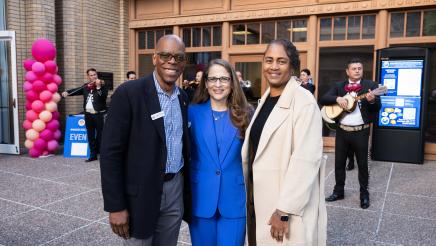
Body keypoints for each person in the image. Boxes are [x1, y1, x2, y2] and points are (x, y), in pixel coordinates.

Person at [99, 34, 191, 245]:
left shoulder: (183, 98)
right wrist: (115, 205)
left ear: (184, 62)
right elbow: (110, 153)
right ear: (154, 58)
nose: (172, 62)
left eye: (179, 57)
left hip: (174, 189)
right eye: (165, 55)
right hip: (139, 195)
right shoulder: (129, 93)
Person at [241, 39, 327, 245]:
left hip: (284, 207)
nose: (273, 66)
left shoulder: (304, 101)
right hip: (259, 199)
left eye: (281, 61)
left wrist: (284, 211)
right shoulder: (265, 99)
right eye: (269, 60)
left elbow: (306, 161)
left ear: (292, 66)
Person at [188, 59, 252, 246]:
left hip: (235, 199)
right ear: (205, 83)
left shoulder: (247, 114)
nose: (218, 84)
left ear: (232, 83)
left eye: (223, 79)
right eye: (213, 79)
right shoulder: (191, 113)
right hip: (201, 198)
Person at [321, 58, 381, 209]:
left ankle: (364, 194)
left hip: (361, 131)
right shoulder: (339, 86)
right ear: (348, 71)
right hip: (342, 131)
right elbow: (324, 99)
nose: (357, 70)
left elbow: (377, 107)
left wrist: (372, 100)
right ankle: (338, 191)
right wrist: (337, 98)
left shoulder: (370, 86)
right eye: (353, 68)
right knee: (339, 164)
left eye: (359, 68)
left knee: (362, 165)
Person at [62, 68, 107, 162]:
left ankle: (103, 155)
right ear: (88, 77)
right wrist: (68, 92)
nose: (94, 76)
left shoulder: (102, 86)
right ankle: (93, 155)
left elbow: (103, 97)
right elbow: (77, 90)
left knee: (101, 136)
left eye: (95, 74)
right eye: (91, 75)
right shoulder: (86, 86)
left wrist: (98, 87)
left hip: (98, 115)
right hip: (88, 115)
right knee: (90, 135)